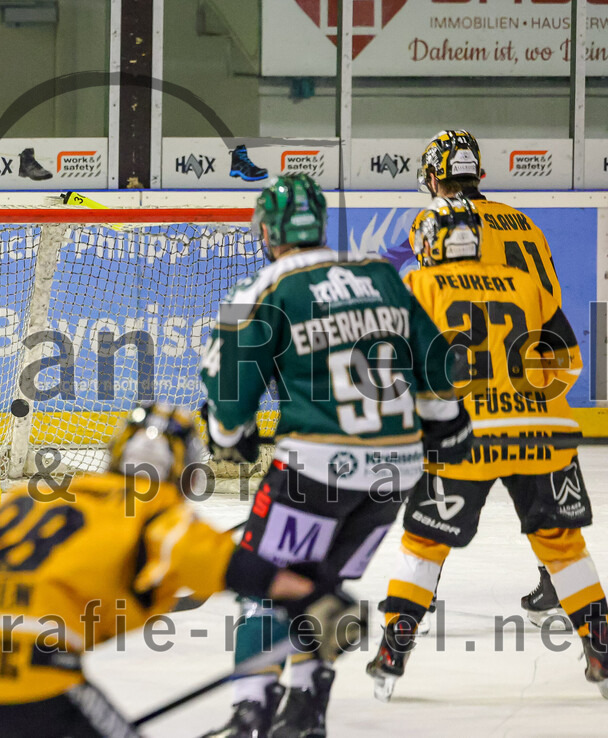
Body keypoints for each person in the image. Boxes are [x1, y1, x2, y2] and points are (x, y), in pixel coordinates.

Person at [0, 403, 357, 738]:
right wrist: (312, 599)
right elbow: (228, 565)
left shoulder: (30, 498)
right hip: (21, 670)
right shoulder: (155, 509)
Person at [199, 174, 473, 737]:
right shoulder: (382, 276)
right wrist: (442, 428)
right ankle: (305, 711)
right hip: (392, 475)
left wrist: (230, 436)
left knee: (268, 588)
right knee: (321, 592)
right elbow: (444, 376)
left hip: (314, 473)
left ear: (267, 231)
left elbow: (228, 400)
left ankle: (249, 710)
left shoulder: (267, 286)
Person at [366, 196, 608, 701]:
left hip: (461, 438)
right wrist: (532, 403)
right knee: (563, 548)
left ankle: (393, 651)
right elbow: (568, 359)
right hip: (538, 437)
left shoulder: (418, 284)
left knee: (424, 546)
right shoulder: (524, 284)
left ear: (432, 242)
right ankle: (602, 649)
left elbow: (387, 368)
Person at [416, 129, 567, 624]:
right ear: (477, 173)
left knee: (443, 488)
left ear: (436, 177)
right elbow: (549, 304)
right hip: (536, 374)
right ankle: (560, 580)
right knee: (542, 493)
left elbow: (435, 311)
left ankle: (420, 588)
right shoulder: (523, 220)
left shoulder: (442, 220)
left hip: (477, 378)